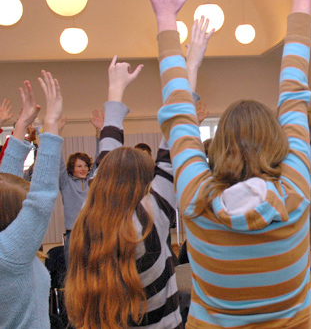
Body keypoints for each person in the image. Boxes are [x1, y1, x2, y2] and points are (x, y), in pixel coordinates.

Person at [134, 0, 311, 328]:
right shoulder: (296, 188)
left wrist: (167, 22)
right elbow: (294, 93)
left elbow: (179, 115)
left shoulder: (195, 198)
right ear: (279, 142)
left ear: (217, 147)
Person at [65, 55, 183, 329]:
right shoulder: (151, 220)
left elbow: (108, 160)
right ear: (145, 184)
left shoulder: (89, 216)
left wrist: (115, 88)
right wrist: (186, 74)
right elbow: (170, 153)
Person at [0, 71, 64, 329]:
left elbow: (5, 182)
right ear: (15, 215)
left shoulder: (6, 247)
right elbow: (42, 196)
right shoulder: (9, 252)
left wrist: (19, 127)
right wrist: (50, 124)